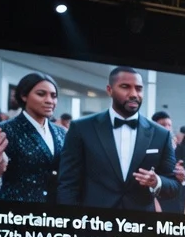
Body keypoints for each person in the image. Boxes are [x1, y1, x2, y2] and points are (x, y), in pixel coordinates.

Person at [56, 66, 178, 211]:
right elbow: (68, 183)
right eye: (125, 87)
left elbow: (173, 185)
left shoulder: (161, 134)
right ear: (109, 90)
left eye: (139, 89)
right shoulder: (81, 128)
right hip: (94, 223)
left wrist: (156, 181)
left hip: (140, 225)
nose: (133, 94)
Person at [0, 73, 65, 203]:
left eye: (53, 96)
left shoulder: (62, 132)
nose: (49, 100)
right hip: (17, 212)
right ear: (24, 96)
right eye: (41, 94)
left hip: (54, 213)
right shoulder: (4, 130)